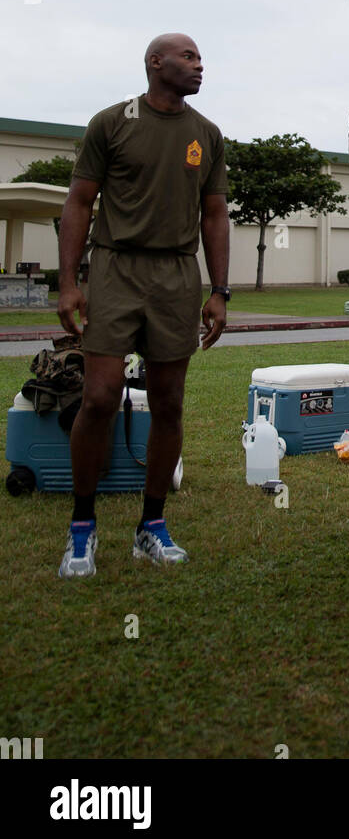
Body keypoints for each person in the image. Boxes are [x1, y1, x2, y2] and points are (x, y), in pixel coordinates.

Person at [56, 34, 230, 578]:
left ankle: (151, 526)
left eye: (201, 58)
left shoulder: (206, 134)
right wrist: (68, 283)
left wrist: (219, 291)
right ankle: (82, 528)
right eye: (189, 57)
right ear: (155, 63)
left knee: (169, 402)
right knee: (101, 396)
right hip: (115, 268)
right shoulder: (111, 123)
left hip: (177, 275)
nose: (200, 66)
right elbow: (80, 201)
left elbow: (215, 215)